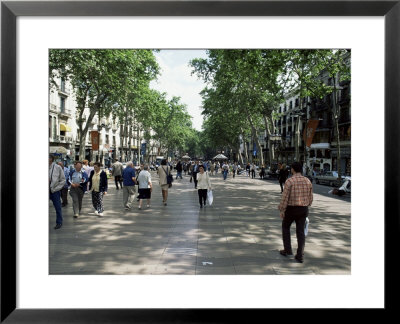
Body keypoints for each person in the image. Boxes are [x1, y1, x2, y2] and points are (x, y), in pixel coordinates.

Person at [278, 162, 313, 263]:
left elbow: (285, 198)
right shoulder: (307, 181)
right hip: (303, 209)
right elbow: (310, 198)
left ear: (292, 169)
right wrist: (307, 204)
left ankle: (288, 250)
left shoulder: (290, 181)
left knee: (285, 227)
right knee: (300, 232)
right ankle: (300, 255)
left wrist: (282, 209)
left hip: (291, 209)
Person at [49, 155, 66, 229]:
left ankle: (59, 222)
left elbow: (63, 180)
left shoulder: (57, 167)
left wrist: (56, 188)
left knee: (58, 207)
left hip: (54, 191)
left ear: (51, 159)